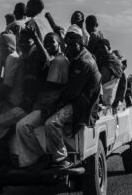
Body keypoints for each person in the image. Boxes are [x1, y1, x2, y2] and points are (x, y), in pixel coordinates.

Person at [45, 26, 101, 168]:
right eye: (67, 43)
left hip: (82, 106)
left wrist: (56, 104)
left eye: (73, 44)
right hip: (78, 101)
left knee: (51, 123)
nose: (68, 47)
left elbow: (72, 92)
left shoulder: (84, 62)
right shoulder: (78, 55)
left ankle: (62, 158)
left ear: (81, 43)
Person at [16, 31, 70, 168]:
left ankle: (48, 157)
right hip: (43, 106)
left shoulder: (60, 61)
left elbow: (52, 89)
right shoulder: (52, 61)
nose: (48, 45)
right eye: (45, 42)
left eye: (51, 41)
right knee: (22, 126)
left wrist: (35, 38)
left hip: (49, 107)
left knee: (24, 126)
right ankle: (39, 157)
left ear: (59, 43)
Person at [0, 34, 26, 170]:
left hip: (14, 104)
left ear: (9, 47)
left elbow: (6, 86)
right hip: (11, 102)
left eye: (1, 46)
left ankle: (2, 161)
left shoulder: (11, 58)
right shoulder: (10, 59)